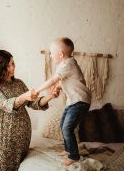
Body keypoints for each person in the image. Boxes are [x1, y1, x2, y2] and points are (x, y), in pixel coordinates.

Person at [0, 50, 59, 171]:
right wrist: (24, 96)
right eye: (8, 65)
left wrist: (50, 96)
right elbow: (5, 104)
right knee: (2, 167)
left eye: (13, 64)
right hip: (6, 136)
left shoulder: (19, 83)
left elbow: (33, 103)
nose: (13, 67)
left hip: (23, 136)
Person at [36, 37, 91, 166]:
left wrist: (38, 90)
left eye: (51, 53)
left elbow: (53, 80)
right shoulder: (66, 65)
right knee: (63, 125)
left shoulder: (68, 64)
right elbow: (66, 82)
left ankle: (74, 156)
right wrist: (57, 88)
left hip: (80, 101)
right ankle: (68, 149)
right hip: (73, 101)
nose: (50, 55)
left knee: (68, 127)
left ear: (60, 55)